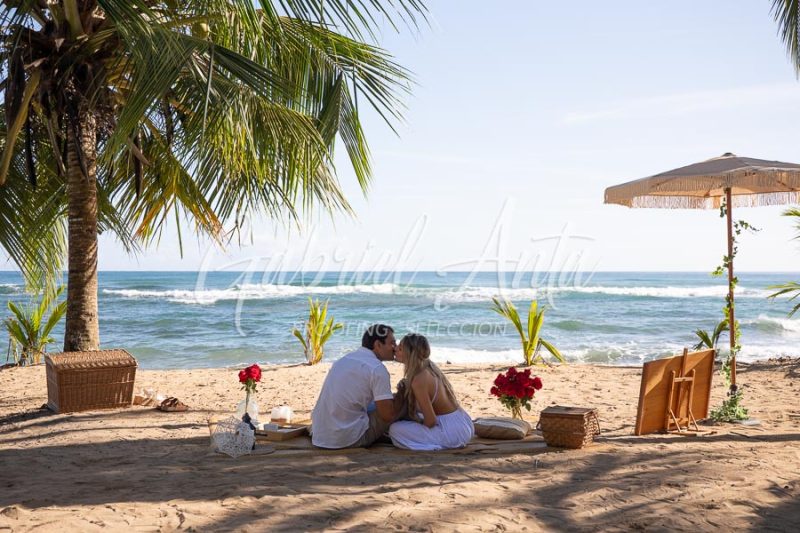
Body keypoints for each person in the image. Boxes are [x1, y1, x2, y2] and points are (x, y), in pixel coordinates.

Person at [311, 324, 405, 448]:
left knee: (384, 399)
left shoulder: (343, 360)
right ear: (378, 345)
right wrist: (403, 395)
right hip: (346, 439)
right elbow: (387, 415)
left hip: (320, 436)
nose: (395, 347)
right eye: (392, 343)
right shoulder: (377, 369)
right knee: (404, 400)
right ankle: (413, 435)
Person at [388, 333, 474, 451]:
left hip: (453, 432)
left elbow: (431, 421)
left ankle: (434, 446)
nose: (395, 348)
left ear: (410, 353)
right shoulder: (429, 367)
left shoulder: (418, 379)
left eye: (401, 348)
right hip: (462, 423)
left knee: (395, 430)